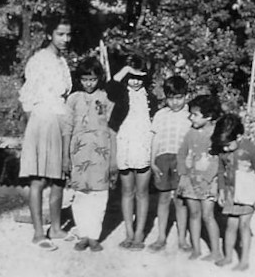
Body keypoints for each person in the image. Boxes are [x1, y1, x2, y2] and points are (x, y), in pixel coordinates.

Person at [18, 15, 73, 251]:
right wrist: (38, 126)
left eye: (68, 34)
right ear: (50, 34)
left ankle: (58, 228)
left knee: (60, 177)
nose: (65, 39)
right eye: (60, 34)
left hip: (61, 119)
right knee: (39, 178)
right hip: (43, 119)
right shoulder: (39, 60)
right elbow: (27, 98)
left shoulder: (62, 61)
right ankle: (39, 232)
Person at [63, 56, 117, 252]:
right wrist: (65, 157)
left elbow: (112, 129)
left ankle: (94, 235)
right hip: (78, 154)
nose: (88, 83)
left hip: (101, 154)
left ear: (99, 78)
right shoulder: (73, 99)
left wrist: (113, 160)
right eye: (85, 79)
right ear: (79, 79)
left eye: (92, 79)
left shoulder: (106, 98)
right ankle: (83, 233)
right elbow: (67, 129)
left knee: (99, 195)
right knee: (80, 195)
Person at [106, 54, 153, 251]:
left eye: (139, 77)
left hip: (144, 146)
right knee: (127, 191)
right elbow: (109, 86)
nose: (135, 81)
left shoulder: (151, 98)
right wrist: (127, 70)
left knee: (142, 192)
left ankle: (140, 233)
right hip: (125, 145)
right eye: (132, 77)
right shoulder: (121, 93)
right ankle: (129, 232)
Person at [211, 113, 255, 271]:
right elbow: (221, 171)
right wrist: (221, 190)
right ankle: (228, 257)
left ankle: (244, 261)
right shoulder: (224, 150)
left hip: (248, 194)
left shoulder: (251, 149)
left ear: (239, 136)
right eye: (223, 145)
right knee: (231, 225)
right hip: (231, 193)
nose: (225, 148)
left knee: (244, 225)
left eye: (228, 144)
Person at [176, 95, 223, 262]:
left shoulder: (217, 134)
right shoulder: (191, 133)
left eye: (195, 115)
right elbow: (181, 153)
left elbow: (218, 160)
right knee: (194, 214)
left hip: (208, 182)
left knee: (208, 215)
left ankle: (216, 251)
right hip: (190, 180)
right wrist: (182, 173)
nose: (191, 117)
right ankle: (196, 249)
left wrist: (207, 179)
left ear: (208, 116)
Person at [148, 76, 192, 253]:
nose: (175, 102)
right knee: (164, 198)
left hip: (182, 160)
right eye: (171, 98)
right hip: (163, 159)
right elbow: (155, 138)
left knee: (181, 200)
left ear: (186, 96)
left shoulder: (190, 115)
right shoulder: (160, 115)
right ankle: (161, 237)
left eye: (179, 97)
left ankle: (182, 238)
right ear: (166, 97)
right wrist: (152, 162)